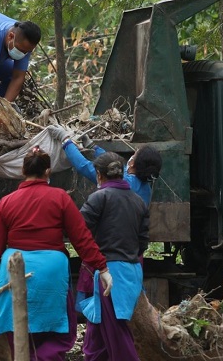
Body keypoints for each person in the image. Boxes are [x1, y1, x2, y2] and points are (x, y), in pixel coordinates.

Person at [0, 147, 112, 360]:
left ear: (23, 171)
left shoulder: (7, 202)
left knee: (16, 329)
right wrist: (102, 267)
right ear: (48, 172)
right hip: (51, 269)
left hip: (13, 268)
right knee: (58, 331)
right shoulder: (60, 198)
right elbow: (81, 238)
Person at [77, 152, 149, 361]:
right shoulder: (138, 201)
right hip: (132, 270)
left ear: (99, 175)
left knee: (117, 333)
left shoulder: (99, 197)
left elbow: (79, 231)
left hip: (109, 272)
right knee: (98, 333)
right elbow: (143, 242)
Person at [49, 125, 162, 206]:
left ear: (132, 163)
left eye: (134, 154)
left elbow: (84, 166)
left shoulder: (117, 181)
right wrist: (94, 147)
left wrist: (65, 140)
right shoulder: (145, 188)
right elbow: (115, 165)